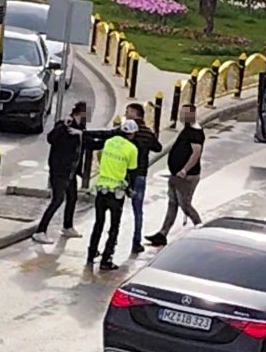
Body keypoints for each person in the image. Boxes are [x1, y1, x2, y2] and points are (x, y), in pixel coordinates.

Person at [146, 104, 205, 247]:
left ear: (192, 115)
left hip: (186, 176)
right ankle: (162, 233)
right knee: (172, 203)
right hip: (176, 175)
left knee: (185, 204)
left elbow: (196, 153)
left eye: (185, 114)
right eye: (181, 113)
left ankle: (201, 228)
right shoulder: (188, 129)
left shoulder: (195, 133)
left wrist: (184, 170)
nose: (181, 116)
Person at [87, 120, 139, 271]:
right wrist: (131, 189)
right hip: (116, 193)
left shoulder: (109, 142)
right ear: (132, 134)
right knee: (114, 227)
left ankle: (91, 253)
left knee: (98, 223)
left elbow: (100, 155)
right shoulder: (132, 149)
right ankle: (106, 259)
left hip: (102, 189)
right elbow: (132, 171)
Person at [33, 102, 88, 245]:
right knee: (57, 199)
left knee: (72, 197)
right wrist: (63, 125)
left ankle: (67, 226)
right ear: (79, 113)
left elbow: (83, 146)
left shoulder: (81, 128)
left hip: (72, 170)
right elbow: (51, 138)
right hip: (60, 170)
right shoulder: (64, 125)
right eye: (85, 114)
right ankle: (40, 231)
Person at [125, 103, 162, 254]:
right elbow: (158, 147)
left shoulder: (126, 131)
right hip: (140, 174)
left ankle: (110, 243)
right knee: (138, 210)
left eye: (128, 111)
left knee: (116, 210)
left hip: (125, 173)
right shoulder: (147, 132)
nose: (126, 114)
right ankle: (136, 241)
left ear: (135, 113)